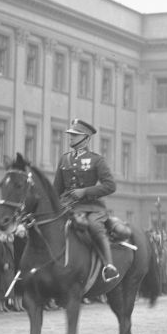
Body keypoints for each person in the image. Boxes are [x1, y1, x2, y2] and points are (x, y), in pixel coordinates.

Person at [52, 119, 121, 283]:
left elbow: (110, 186)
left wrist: (85, 192)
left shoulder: (96, 160)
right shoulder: (64, 159)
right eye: (70, 135)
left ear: (86, 138)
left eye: (75, 135)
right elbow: (56, 189)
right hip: (67, 206)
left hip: (91, 207)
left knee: (95, 226)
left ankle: (109, 266)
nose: (71, 138)